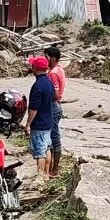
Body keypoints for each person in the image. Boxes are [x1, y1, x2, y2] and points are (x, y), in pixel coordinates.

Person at [24, 56, 55, 180]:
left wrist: (28, 124)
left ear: (35, 68)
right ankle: (46, 174)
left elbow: (34, 108)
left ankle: (40, 176)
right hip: (48, 121)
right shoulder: (49, 83)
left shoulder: (37, 86)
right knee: (47, 147)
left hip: (40, 123)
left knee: (40, 151)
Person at [44, 47, 66, 178]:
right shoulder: (59, 70)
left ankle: (54, 169)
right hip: (56, 106)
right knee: (54, 137)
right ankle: (53, 167)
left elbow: (55, 93)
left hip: (53, 106)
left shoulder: (52, 73)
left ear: (52, 58)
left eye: (46, 57)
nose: (45, 60)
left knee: (54, 139)